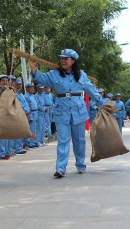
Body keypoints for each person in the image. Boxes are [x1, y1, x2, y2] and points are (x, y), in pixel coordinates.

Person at [29, 48, 101, 178]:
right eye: (61, 58)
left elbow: (91, 90)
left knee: (79, 140)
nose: (62, 61)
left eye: (65, 58)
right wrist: (33, 68)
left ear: (73, 61)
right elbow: (40, 78)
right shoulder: (54, 74)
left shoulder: (82, 75)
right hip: (61, 111)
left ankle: (80, 165)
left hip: (78, 111)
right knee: (63, 140)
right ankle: (60, 168)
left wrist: (102, 102)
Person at [14, 78, 30, 154]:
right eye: (17, 84)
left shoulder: (21, 94)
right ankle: (17, 148)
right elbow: (18, 105)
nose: (19, 86)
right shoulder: (14, 94)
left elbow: (25, 104)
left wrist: (28, 111)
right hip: (18, 115)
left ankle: (19, 148)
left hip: (23, 115)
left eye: (20, 85)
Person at [24, 83, 40, 148]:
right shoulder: (26, 96)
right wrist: (29, 116)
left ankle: (33, 142)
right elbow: (27, 107)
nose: (32, 89)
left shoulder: (32, 96)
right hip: (31, 113)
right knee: (30, 129)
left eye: (32, 87)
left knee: (34, 129)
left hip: (35, 113)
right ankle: (29, 143)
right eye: (30, 88)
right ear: (27, 89)